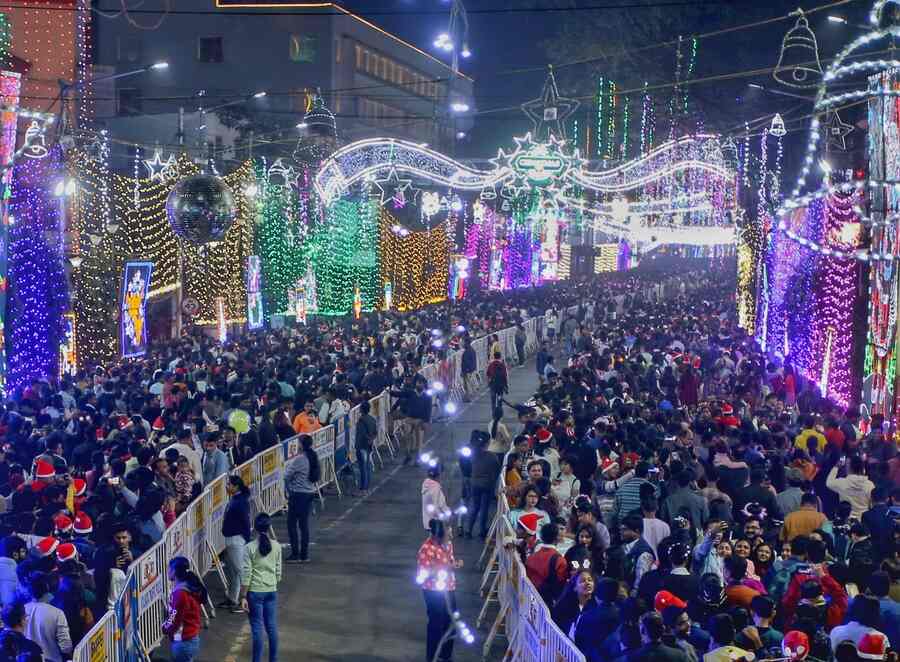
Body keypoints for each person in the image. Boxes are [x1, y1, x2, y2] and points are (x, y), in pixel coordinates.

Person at [416, 519, 463, 662]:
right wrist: (444, 568)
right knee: (436, 625)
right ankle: (432, 657)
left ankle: (446, 656)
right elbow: (423, 575)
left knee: (451, 623)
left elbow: (450, 561)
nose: (451, 533)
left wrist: (454, 564)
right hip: (432, 592)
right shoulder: (426, 549)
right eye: (448, 531)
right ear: (439, 534)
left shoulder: (448, 545)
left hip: (449, 588)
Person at [240, 514, 282, 662]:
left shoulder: (249, 548)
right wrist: (272, 582)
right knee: (272, 627)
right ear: (269, 527)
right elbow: (278, 572)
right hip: (271, 590)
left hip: (255, 593)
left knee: (257, 628)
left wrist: (243, 596)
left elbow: (247, 574)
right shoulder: (276, 546)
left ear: (255, 527)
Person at [284, 435, 319, 564]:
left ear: (301, 445)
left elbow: (286, 475)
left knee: (292, 524)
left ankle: (295, 554)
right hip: (309, 493)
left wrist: (289, 489)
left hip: (298, 494)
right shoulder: (313, 457)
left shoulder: (300, 459)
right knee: (304, 526)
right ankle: (304, 555)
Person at [162, 556, 205, 662]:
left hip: (183, 642)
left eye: (169, 568)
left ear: (174, 571)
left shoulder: (180, 593)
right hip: (191, 639)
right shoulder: (190, 586)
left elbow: (175, 618)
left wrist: (165, 628)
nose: (167, 571)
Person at [220, 475, 252, 611]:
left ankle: (248, 600)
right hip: (232, 539)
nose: (227, 487)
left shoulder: (240, 502)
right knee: (233, 572)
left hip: (236, 539)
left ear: (236, 486)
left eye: (229, 485)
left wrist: (246, 538)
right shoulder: (236, 499)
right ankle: (232, 599)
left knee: (241, 571)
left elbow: (246, 521)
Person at [525, 523, 568, 606]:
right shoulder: (560, 561)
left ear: (541, 537)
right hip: (549, 604)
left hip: (531, 601)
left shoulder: (530, 558)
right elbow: (561, 584)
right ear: (557, 538)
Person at [468, 434, 500, 540]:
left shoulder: (473, 454)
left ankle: (469, 530)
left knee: (475, 507)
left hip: (475, 484)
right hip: (487, 485)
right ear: (487, 444)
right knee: (484, 509)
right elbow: (496, 472)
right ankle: (482, 531)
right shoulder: (492, 456)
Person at [354, 400, 377, 497]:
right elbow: (375, 432)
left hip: (362, 446)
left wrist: (357, 446)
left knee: (363, 468)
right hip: (368, 446)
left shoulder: (361, 420)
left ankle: (363, 489)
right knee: (367, 466)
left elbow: (361, 434)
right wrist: (371, 440)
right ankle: (367, 488)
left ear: (361, 410)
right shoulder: (372, 419)